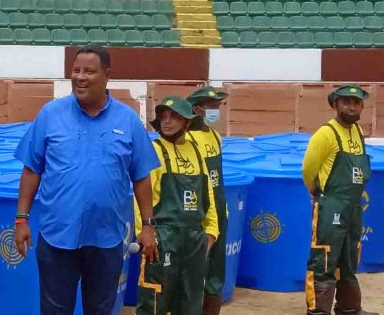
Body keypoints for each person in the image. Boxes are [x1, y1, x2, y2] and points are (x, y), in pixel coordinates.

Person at [14, 45, 160, 315]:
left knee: (100, 309)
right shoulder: (50, 114)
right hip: (57, 237)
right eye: (76, 70)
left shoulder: (127, 120)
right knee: (54, 310)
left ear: (107, 75)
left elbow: (141, 177)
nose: (80, 77)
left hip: (107, 238)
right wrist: (21, 218)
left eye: (89, 71)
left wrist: (148, 225)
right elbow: (32, 169)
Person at [136, 96, 219, 315]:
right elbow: (140, 196)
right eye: (163, 116)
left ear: (187, 122)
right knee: (155, 300)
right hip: (162, 238)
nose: (167, 121)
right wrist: (144, 233)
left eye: (174, 117)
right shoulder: (152, 151)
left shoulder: (196, 150)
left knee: (191, 300)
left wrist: (211, 230)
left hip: (194, 239)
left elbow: (207, 194)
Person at [302, 84, 379, 315]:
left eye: (356, 103)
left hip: (354, 208)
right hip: (331, 206)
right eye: (346, 102)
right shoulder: (326, 133)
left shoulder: (357, 133)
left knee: (349, 259)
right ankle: (318, 311)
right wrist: (320, 195)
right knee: (323, 259)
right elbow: (308, 170)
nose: (352, 107)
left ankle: (349, 309)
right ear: (335, 105)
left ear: (362, 106)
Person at [187, 86, 229, 315]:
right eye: (211, 106)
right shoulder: (188, 139)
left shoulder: (215, 136)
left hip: (219, 210)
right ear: (196, 109)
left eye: (218, 106)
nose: (215, 111)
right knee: (195, 269)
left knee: (216, 269)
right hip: (199, 213)